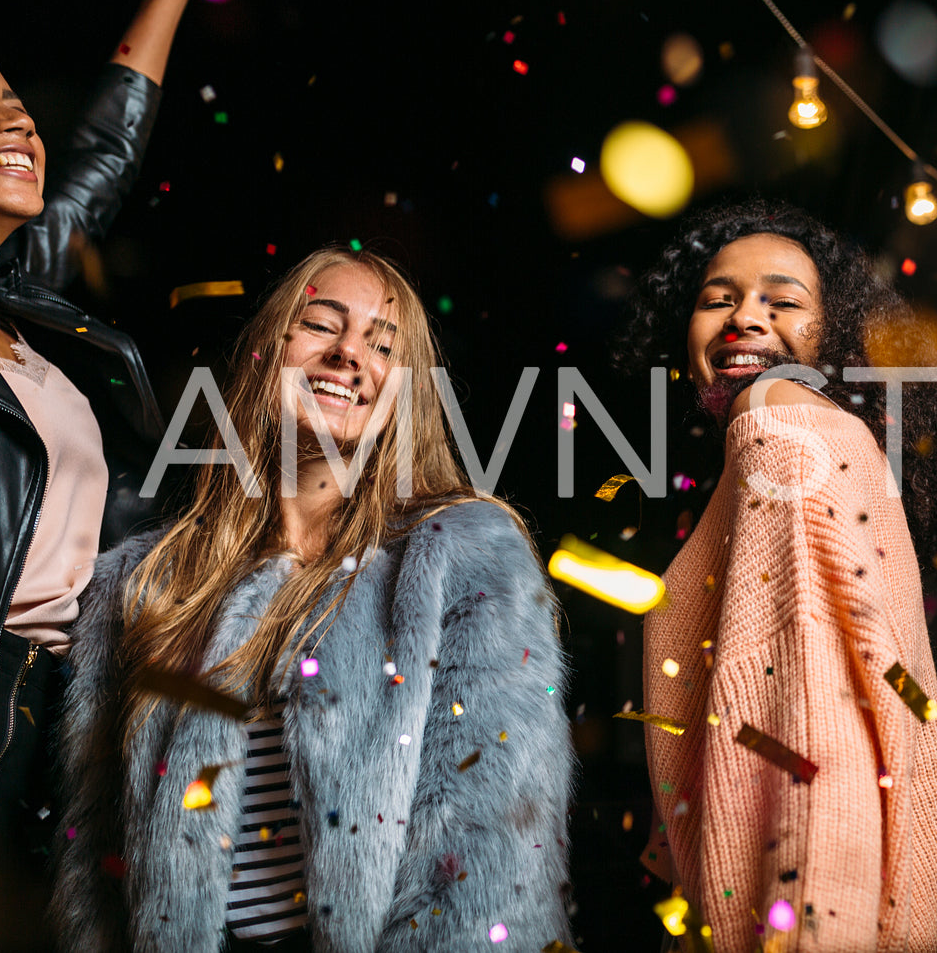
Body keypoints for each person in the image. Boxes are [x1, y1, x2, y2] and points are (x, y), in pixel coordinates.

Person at [51, 247, 576, 951]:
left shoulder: (464, 554)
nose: (348, 354)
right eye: (320, 325)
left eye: (382, 344)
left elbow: (490, 850)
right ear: (269, 350)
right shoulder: (147, 583)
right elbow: (95, 861)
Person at [618, 201, 937, 950]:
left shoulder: (780, 422)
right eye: (717, 298)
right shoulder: (796, 446)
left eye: (781, 301)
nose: (743, 317)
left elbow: (815, 745)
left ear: (833, 334)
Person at [0, 0, 230, 944]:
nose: (15, 124)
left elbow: (95, 167)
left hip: (68, 710)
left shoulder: (18, 308)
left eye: (11, 103)